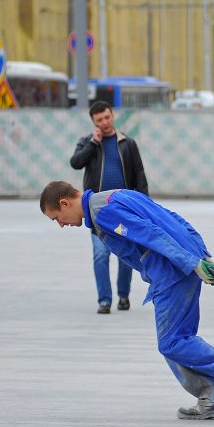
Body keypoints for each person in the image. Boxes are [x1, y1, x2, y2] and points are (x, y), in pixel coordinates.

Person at [39, 181, 214, 420]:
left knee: (172, 343)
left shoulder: (102, 212)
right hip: (180, 267)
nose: (61, 224)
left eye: (57, 218)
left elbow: (151, 234)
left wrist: (193, 262)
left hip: (171, 273)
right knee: (176, 340)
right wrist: (204, 255)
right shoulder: (116, 195)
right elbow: (172, 218)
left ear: (65, 203)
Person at [70, 101, 149, 314]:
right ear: (93, 122)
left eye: (107, 117)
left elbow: (139, 175)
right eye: (99, 120)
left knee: (126, 256)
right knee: (100, 255)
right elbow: (75, 162)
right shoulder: (87, 142)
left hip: (123, 211)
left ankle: (123, 296)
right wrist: (93, 144)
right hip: (97, 212)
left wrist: (144, 206)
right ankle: (104, 300)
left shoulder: (127, 143)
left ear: (112, 116)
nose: (104, 122)